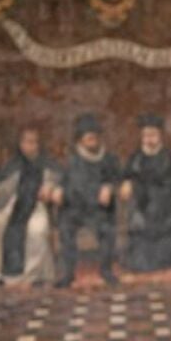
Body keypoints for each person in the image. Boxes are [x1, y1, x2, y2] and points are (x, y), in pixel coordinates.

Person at [119, 113, 171, 272]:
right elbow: (126, 178)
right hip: (144, 203)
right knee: (139, 223)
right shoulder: (135, 159)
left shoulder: (170, 157)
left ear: (160, 136)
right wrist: (126, 184)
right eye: (146, 135)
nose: (149, 139)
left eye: (153, 135)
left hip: (169, 203)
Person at [0, 126, 58, 285]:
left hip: (37, 206)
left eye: (35, 142)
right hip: (11, 206)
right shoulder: (13, 164)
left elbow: (54, 179)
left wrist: (49, 187)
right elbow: (6, 186)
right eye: (28, 142)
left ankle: (32, 276)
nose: (32, 146)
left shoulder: (47, 163)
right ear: (21, 144)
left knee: (37, 229)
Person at [55, 113, 121, 288]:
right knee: (65, 227)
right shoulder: (71, 160)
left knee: (107, 228)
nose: (92, 141)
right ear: (80, 140)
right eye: (88, 138)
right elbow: (62, 181)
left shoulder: (109, 159)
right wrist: (59, 189)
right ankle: (68, 273)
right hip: (74, 208)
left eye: (94, 138)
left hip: (99, 208)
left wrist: (109, 187)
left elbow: (117, 179)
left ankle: (106, 271)